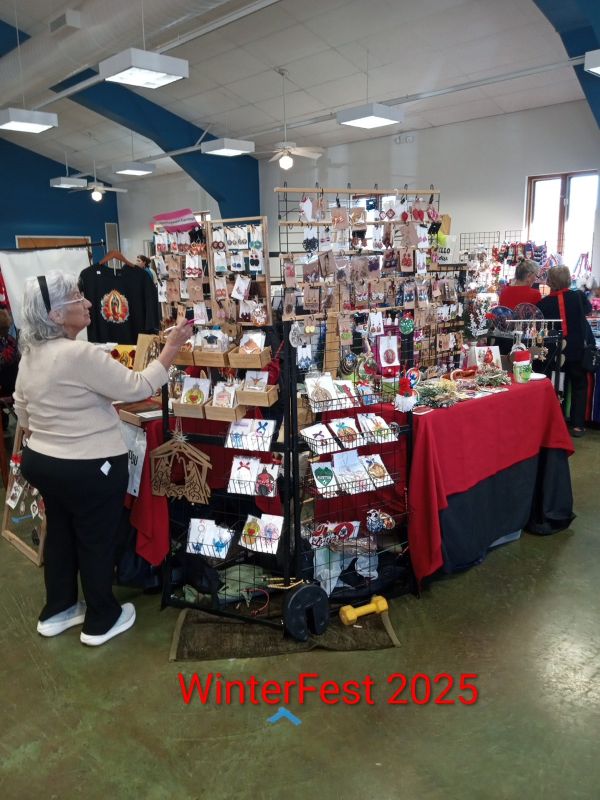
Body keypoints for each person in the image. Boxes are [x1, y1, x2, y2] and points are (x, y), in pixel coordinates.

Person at [14, 271, 193, 646]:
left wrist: (47, 432)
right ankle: (101, 619)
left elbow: (22, 409)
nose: (87, 302)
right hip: (89, 467)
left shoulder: (31, 354)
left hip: (43, 462)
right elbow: (139, 386)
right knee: (95, 539)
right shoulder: (79, 354)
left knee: (61, 533)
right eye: (76, 298)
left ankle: (58, 609)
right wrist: (173, 346)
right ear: (56, 315)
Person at [537, 266, 593, 438]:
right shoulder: (579, 296)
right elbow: (588, 311)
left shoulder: (543, 304)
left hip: (555, 353)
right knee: (579, 385)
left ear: (549, 281)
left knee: (558, 386)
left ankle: (558, 423)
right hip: (578, 349)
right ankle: (577, 425)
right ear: (569, 279)